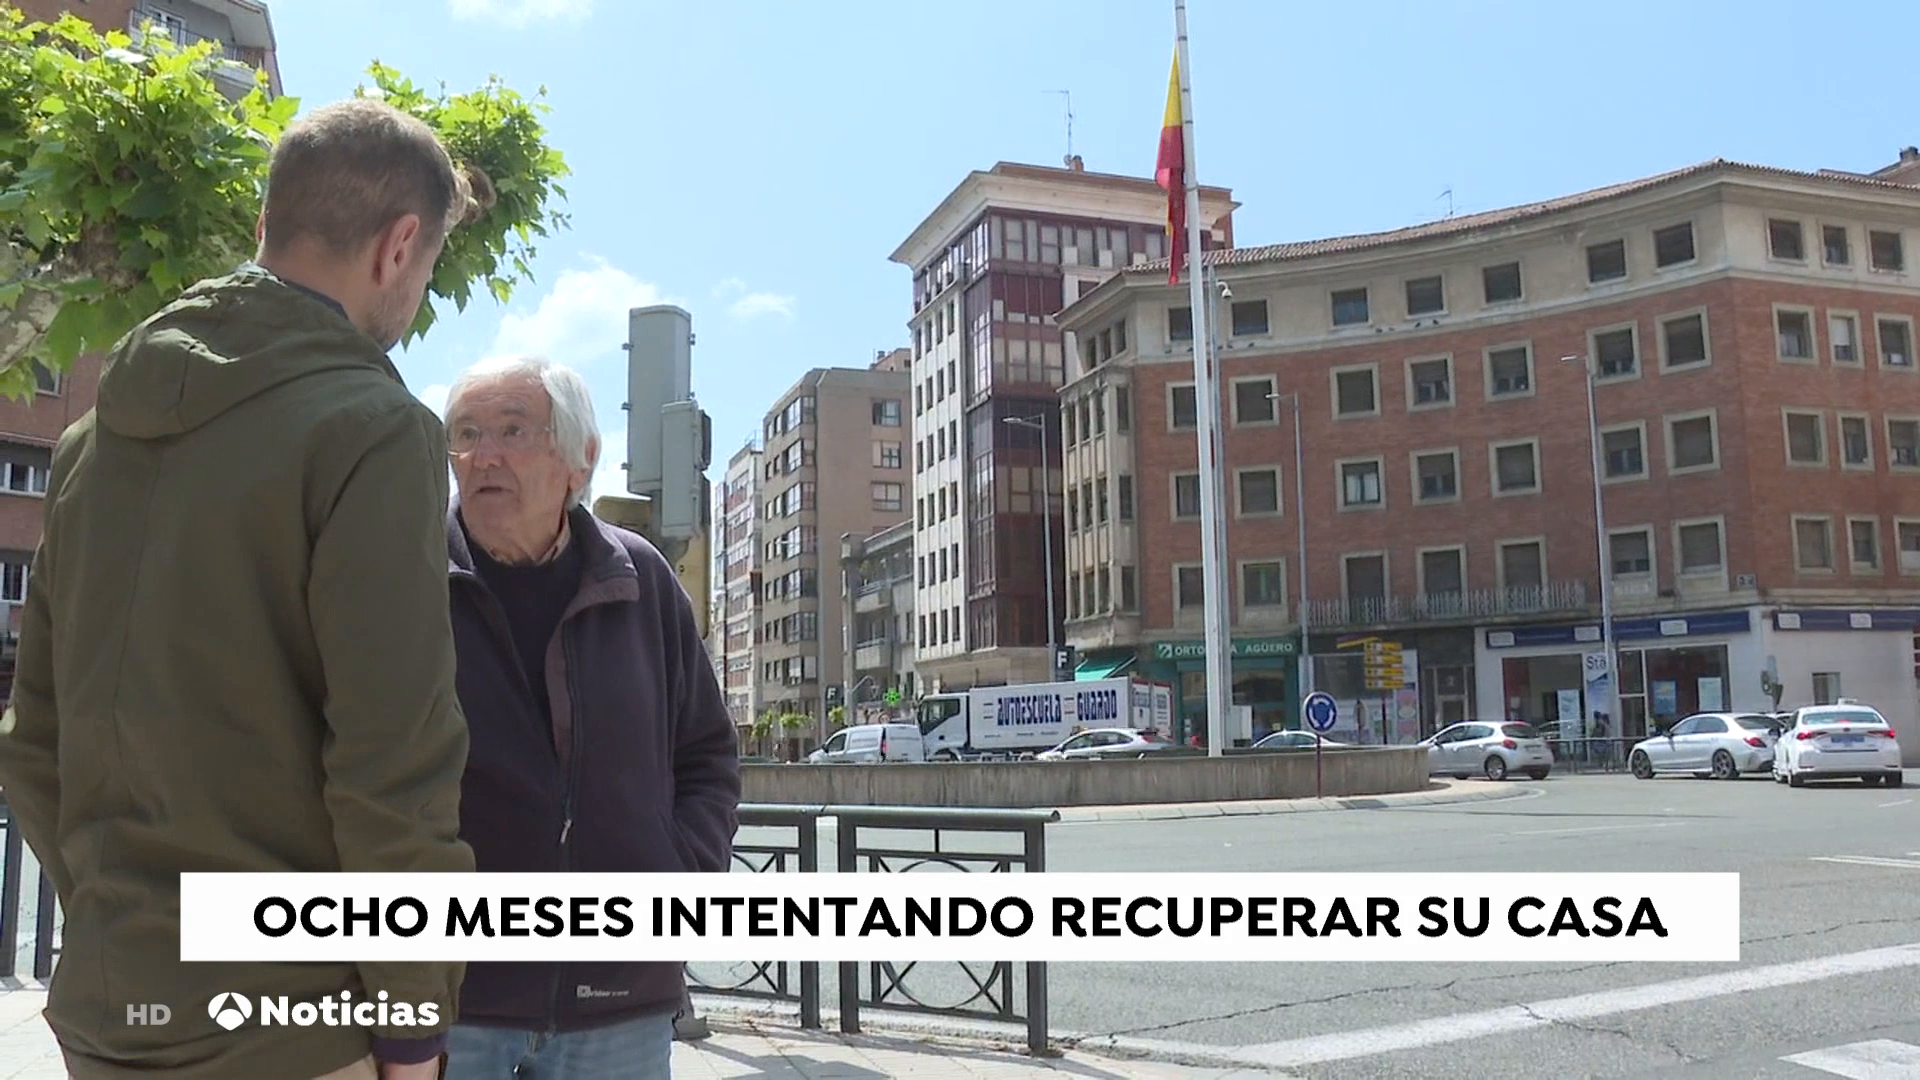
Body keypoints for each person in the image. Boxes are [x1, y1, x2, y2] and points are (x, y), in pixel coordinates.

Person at [0, 98, 486, 1080]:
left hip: (108, 1008)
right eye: (430, 267)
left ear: (268, 222)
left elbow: (36, 738)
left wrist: (123, 923)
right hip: (287, 1028)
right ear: (399, 246)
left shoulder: (94, 439)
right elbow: (393, 762)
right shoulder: (374, 427)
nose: (419, 293)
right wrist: (410, 1031)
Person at [438, 355, 740, 1080]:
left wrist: (678, 885)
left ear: (581, 460)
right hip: (456, 1000)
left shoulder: (639, 581)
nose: (482, 456)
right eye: (466, 433)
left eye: (512, 431)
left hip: (620, 1004)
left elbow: (706, 756)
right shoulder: (408, 579)